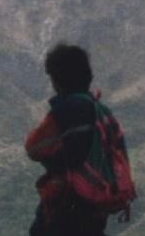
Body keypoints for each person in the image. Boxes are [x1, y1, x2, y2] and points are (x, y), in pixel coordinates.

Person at [28, 43, 113, 236]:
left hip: (66, 201)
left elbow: (33, 147)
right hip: (96, 202)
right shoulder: (100, 109)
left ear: (58, 80)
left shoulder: (67, 109)